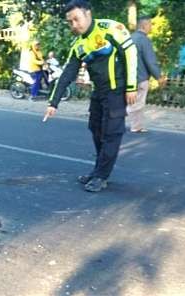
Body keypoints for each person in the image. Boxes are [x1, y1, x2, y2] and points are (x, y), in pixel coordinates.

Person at [44, 0, 138, 192]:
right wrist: (53, 103)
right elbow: (68, 73)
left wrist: (131, 86)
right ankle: (98, 171)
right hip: (99, 92)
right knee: (96, 129)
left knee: (112, 134)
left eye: (77, 19)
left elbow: (131, 53)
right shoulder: (78, 45)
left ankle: (101, 176)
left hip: (117, 90)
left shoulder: (110, 28)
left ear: (88, 14)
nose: (74, 25)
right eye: (70, 22)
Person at [127, 16, 165, 133]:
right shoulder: (144, 40)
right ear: (144, 25)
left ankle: (133, 125)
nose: (151, 27)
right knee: (138, 103)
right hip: (141, 76)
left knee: (131, 101)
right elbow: (150, 61)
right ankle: (135, 126)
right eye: (150, 25)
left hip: (128, 77)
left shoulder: (129, 38)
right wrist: (159, 77)